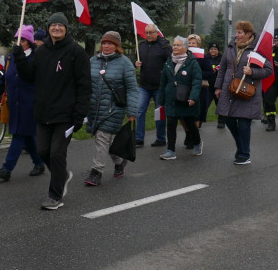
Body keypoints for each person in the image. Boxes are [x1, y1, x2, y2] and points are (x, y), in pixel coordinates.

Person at [13, 12, 91, 210]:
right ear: (48, 28)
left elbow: (84, 86)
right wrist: (20, 58)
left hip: (66, 114)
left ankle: (55, 195)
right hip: (43, 112)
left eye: (60, 25)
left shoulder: (76, 52)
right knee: (42, 151)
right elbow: (29, 77)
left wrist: (80, 114)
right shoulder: (41, 52)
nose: (57, 28)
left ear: (66, 28)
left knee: (56, 154)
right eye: (53, 25)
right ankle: (62, 175)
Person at [0, 25, 46, 182]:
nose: (17, 42)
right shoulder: (10, 58)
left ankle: (7, 169)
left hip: (30, 104)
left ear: (29, 42)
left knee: (19, 134)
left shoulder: (36, 57)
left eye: (21, 39)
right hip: (14, 103)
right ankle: (39, 163)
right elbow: (4, 79)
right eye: (16, 39)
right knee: (27, 136)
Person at [214, 21, 273, 165]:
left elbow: (268, 70)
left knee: (243, 123)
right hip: (230, 89)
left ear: (248, 34)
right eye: (237, 32)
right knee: (228, 119)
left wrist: (252, 71)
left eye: (240, 33)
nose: (237, 35)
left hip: (248, 91)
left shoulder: (257, 50)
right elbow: (223, 68)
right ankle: (241, 146)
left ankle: (244, 154)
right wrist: (218, 87)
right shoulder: (230, 48)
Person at [83, 30, 138, 184]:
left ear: (117, 46)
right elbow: (85, 83)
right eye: (104, 43)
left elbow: (132, 88)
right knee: (109, 141)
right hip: (95, 108)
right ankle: (120, 161)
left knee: (102, 138)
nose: (106, 46)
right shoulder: (93, 61)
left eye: (110, 43)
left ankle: (96, 172)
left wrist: (132, 111)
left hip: (114, 109)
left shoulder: (125, 63)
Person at [156, 36, 203, 160]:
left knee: (190, 124)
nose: (175, 47)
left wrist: (193, 97)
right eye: (174, 45)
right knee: (170, 123)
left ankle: (197, 143)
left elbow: (197, 81)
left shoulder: (192, 63)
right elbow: (163, 82)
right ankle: (171, 150)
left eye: (178, 45)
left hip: (186, 99)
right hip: (171, 99)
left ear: (186, 48)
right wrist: (160, 100)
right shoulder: (168, 62)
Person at [133, 24, 171, 148]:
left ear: (157, 33)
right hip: (144, 85)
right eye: (146, 33)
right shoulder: (142, 46)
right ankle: (139, 138)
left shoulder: (164, 46)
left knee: (159, 113)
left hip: (160, 86)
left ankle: (160, 138)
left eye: (150, 32)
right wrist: (136, 63)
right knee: (139, 111)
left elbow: (171, 62)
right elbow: (135, 59)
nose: (148, 35)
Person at [188, 34, 215, 136]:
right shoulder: (184, 56)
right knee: (187, 114)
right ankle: (188, 136)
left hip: (199, 89)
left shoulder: (203, 57)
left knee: (197, 114)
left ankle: (195, 138)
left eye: (193, 43)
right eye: (189, 43)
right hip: (186, 89)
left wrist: (197, 73)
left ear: (198, 45)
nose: (191, 45)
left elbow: (211, 73)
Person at [208, 42, 225, 129]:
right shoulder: (205, 58)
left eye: (215, 49)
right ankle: (199, 121)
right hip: (208, 86)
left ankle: (221, 121)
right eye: (211, 49)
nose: (213, 51)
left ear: (218, 51)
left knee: (220, 105)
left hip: (218, 86)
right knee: (205, 104)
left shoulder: (222, 59)